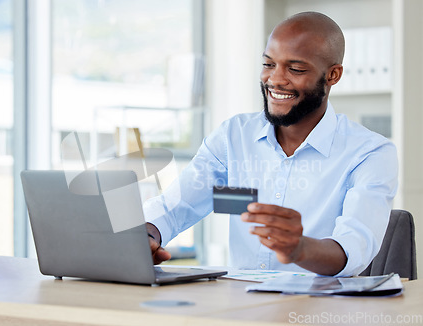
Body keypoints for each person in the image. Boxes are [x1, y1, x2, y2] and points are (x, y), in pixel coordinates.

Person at [144, 11, 398, 276]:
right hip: (239, 306)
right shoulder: (234, 136)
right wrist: (149, 234)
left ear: (333, 75)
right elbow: (178, 204)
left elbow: (354, 248)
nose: (275, 79)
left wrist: (299, 249)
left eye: (296, 69)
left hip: (319, 309)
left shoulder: (370, 153)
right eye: (268, 64)